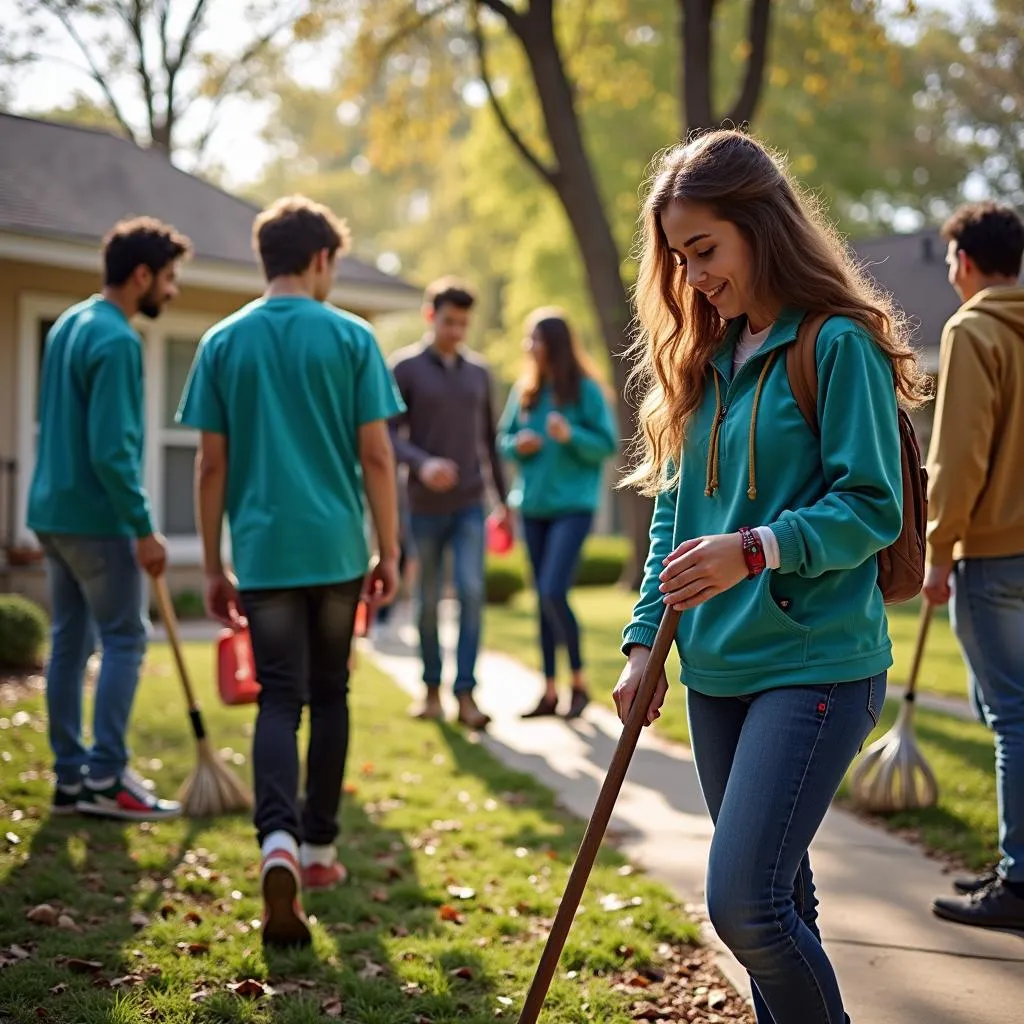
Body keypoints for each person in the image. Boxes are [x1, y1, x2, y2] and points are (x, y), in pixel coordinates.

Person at [612, 129, 927, 1024]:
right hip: (716, 670)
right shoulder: (705, 362)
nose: (694, 274)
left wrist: (754, 549)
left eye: (705, 249)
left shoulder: (837, 345)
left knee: (744, 907)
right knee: (784, 905)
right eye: (678, 257)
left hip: (817, 662)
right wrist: (644, 643)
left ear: (762, 225)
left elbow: (872, 507)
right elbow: (674, 519)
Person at [176, 195, 402, 949]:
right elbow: (376, 455)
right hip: (338, 551)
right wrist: (390, 550)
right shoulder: (351, 337)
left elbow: (211, 464)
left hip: (265, 556)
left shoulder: (220, 342)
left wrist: (212, 563)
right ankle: (320, 851)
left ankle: (275, 843)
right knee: (330, 693)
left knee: (279, 698)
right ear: (320, 260)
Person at [28, 217, 190, 822]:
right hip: (97, 520)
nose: (172, 293)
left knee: (69, 641)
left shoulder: (71, 323)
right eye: (169, 280)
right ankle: (105, 776)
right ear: (141, 275)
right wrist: (143, 527)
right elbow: (112, 451)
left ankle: (71, 778)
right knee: (125, 638)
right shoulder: (118, 339)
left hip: (50, 514)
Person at [923, 202, 1024, 931]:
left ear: (961, 260)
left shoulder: (973, 329)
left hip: (993, 554)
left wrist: (937, 548)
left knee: (1012, 716)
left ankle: (1019, 884)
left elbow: (958, 457)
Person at [388, 277, 510, 729]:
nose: (457, 331)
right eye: (449, 321)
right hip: (422, 506)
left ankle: (466, 694)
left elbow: (490, 442)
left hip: (470, 505)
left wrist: (503, 502)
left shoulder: (479, 374)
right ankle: (431, 689)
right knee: (425, 602)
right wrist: (421, 464)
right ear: (430, 316)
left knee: (472, 594)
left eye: (463, 324)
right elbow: (385, 435)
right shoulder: (404, 369)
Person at [497, 308, 617, 720]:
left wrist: (571, 435)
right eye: (529, 339)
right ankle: (549, 692)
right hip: (532, 506)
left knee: (552, 591)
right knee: (542, 600)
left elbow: (606, 445)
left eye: (536, 339)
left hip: (573, 507)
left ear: (556, 345)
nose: (530, 346)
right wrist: (520, 444)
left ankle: (579, 685)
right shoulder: (526, 390)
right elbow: (504, 439)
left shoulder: (585, 390)